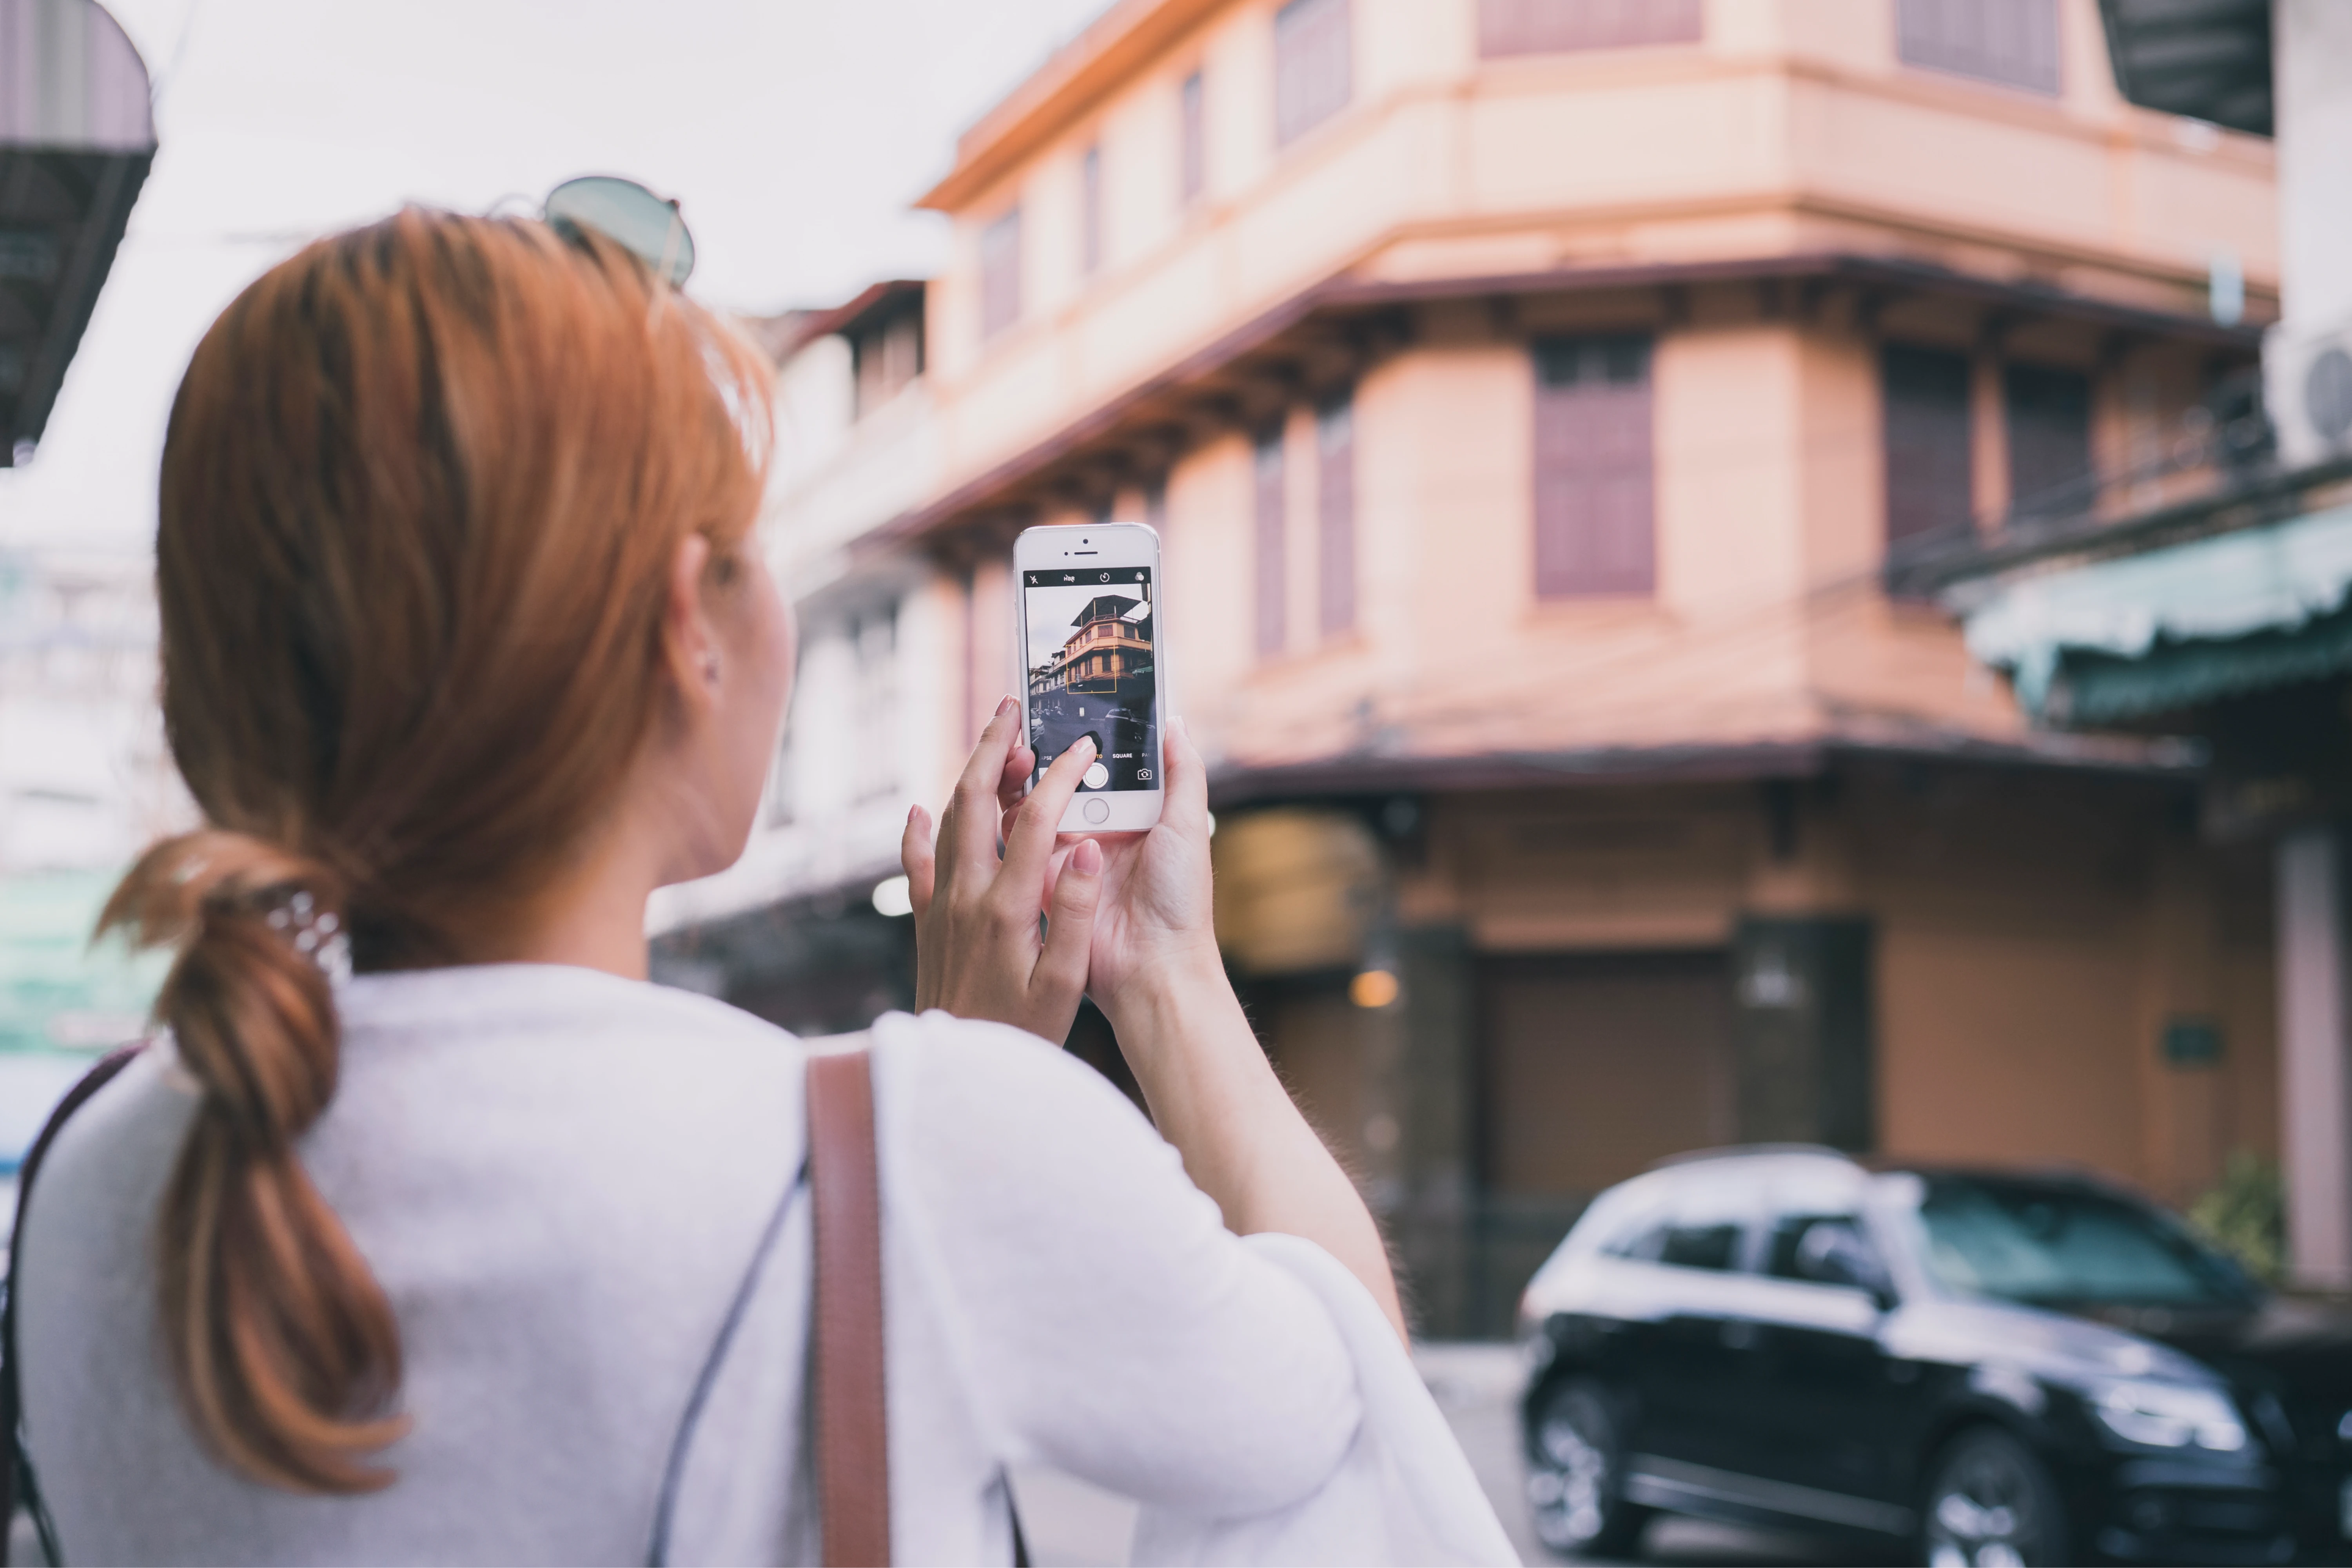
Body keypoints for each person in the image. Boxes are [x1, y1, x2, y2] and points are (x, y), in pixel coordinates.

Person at [11, 208, 1509, 1566]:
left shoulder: (94, 1176)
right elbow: (1356, 1429)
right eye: (752, 551)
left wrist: (958, 1094)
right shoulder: (922, 1160)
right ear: (692, 626)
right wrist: (1156, 984)